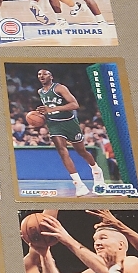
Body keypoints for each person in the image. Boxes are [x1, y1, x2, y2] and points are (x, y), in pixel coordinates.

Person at [35, 69, 104, 197]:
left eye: (44, 74)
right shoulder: (40, 92)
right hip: (54, 124)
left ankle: (96, 170)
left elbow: (74, 104)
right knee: (62, 152)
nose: (41, 76)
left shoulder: (60, 88)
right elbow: (49, 108)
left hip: (69, 123)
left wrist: (52, 109)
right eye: (39, 74)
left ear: (51, 76)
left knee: (81, 151)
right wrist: (40, 115)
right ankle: (79, 184)